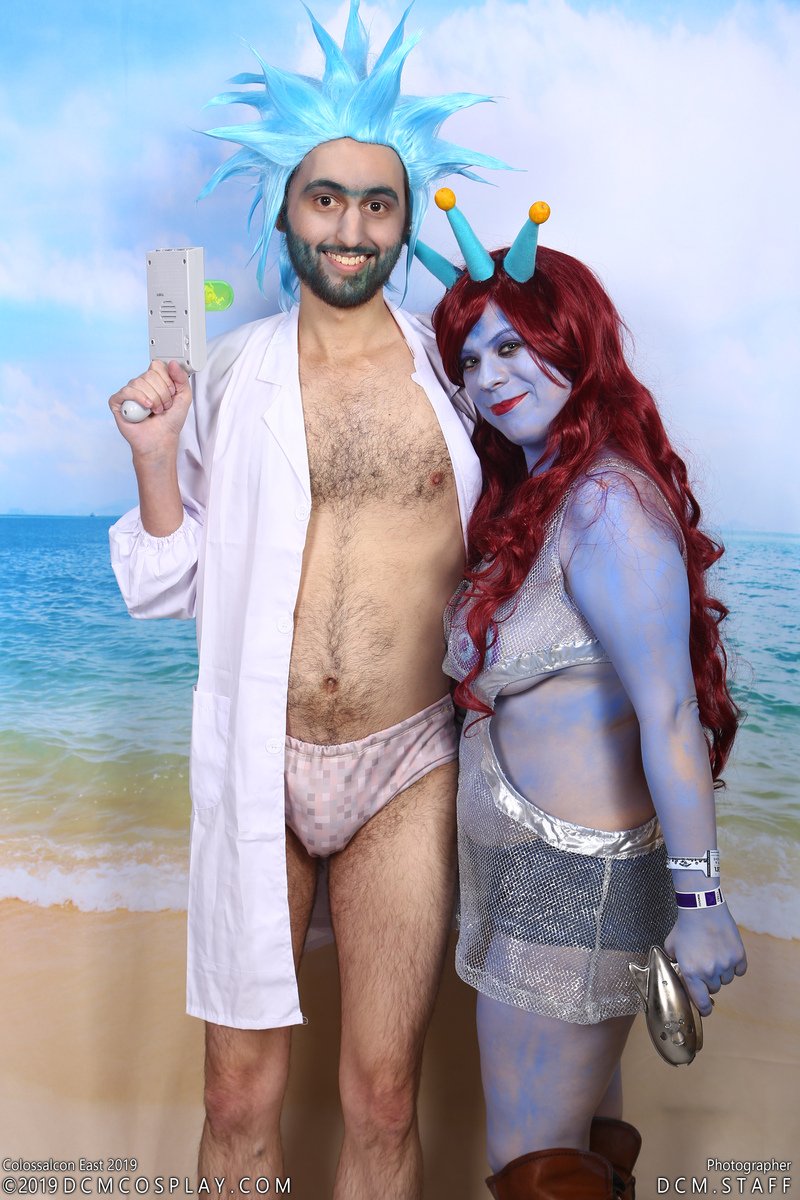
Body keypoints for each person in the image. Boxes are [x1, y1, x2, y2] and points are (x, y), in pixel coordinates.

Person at [107, 7, 507, 1196]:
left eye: (376, 204)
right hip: (259, 757)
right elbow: (168, 586)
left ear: (406, 220)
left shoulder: (456, 375)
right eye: (325, 199)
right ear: (286, 211)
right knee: (237, 1093)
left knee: (381, 1095)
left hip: (405, 763)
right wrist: (155, 456)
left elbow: (532, 530)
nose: (349, 227)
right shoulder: (230, 375)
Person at [419, 193, 748, 1198]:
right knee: (580, 1154)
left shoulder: (605, 503)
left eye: (513, 346)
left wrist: (700, 903)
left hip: (574, 893)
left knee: (532, 1171)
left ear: (576, 342)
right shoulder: (543, 497)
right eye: (469, 359)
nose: (489, 377)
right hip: (533, 888)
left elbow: (669, 713)